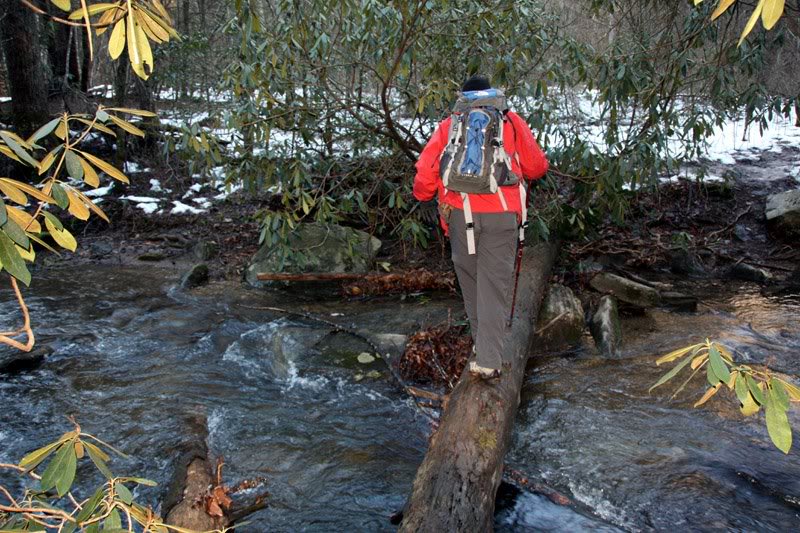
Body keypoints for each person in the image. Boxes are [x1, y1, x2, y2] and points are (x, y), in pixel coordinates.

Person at [413, 75, 549, 380]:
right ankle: (489, 358)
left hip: (460, 215)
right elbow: (537, 167)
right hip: (502, 213)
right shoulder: (511, 121)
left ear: (464, 96)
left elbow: (426, 170)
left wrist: (423, 194)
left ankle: (484, 350)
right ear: (491, 94)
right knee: (494, 285)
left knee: (473, 282)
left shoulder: (451, 125)